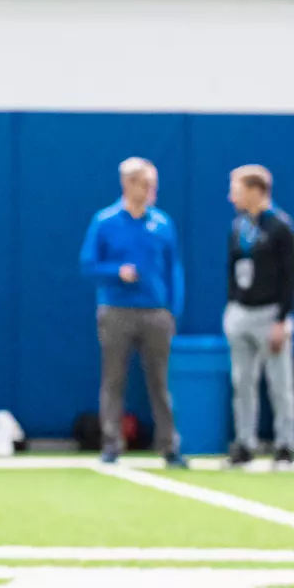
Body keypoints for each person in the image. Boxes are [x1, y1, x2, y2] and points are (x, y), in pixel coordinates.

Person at [79, 157, 187, 468]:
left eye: (153, 185)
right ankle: (112, 444)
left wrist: (171, 311)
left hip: (155, 313)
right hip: (116, 311)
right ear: (127, 184)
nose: (151, 190)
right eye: (145, 184)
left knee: (160, 383)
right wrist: (117, 272)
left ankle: (169, 446)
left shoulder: (163, 223)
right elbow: (88, 265)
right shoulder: (105, 221)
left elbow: (173, 270)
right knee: (113, 380)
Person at [224, 164, 294, 470]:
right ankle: (244, 443)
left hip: (270, 313)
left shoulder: (280, 227)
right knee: (241, 382)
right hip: (241, 311)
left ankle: (285, 446)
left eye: (237, 190)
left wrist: (282, 318)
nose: (232, 197)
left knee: (279, 384)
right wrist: (231, 307)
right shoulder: (240, 227)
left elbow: (290, 275)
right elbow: (231, 270)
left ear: (256, 191)